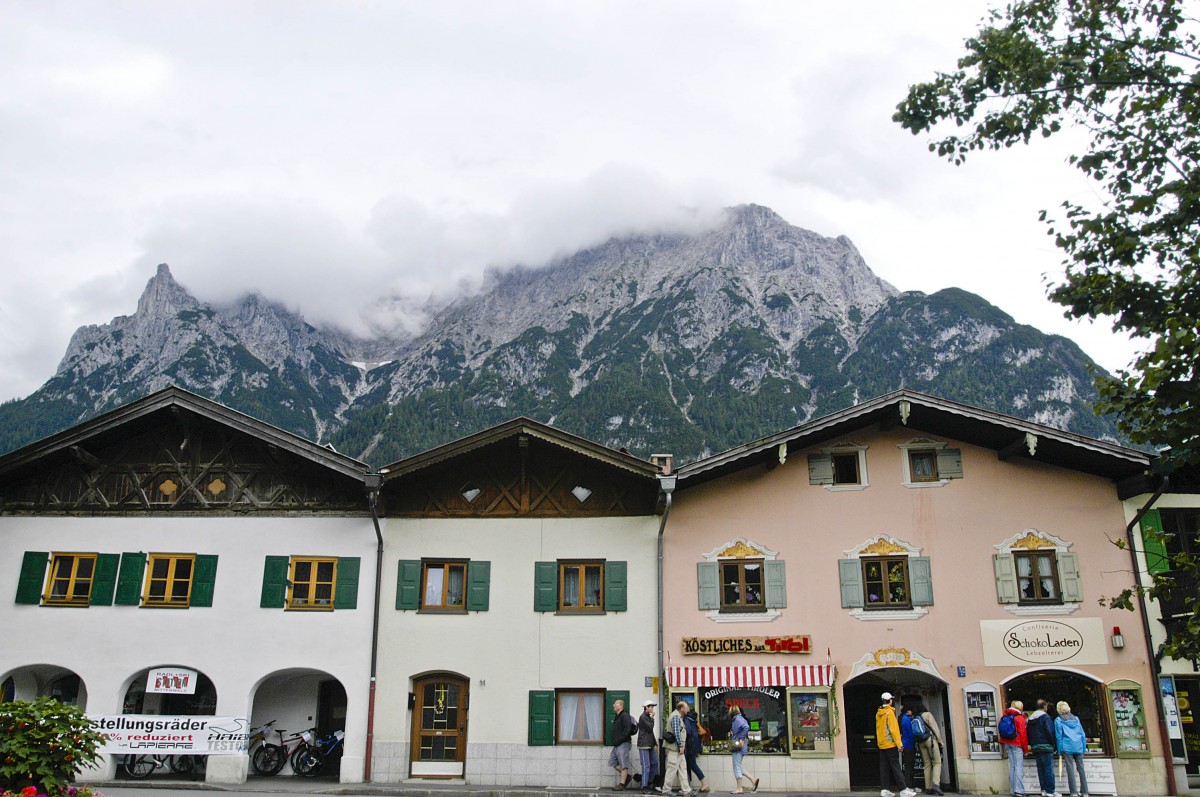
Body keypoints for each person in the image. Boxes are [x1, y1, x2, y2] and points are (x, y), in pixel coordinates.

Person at [876, 692, 916, 797]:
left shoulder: (879, 713)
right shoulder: (889, 713)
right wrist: (899, 744)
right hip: (890, 744)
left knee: (884, 767)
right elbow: (894, 730)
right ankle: (903, 789)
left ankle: (884, 789)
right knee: (896, 766)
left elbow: (879, 729)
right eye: (891, 699)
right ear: (889, 701)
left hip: (882, 744)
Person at [1054, 701, 1089, 797]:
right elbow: (1082, 734)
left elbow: (1059, 737)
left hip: (1067, 747)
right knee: (1081, 769)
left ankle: (1073, 792)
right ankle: (1085, 792)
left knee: (1070, 770)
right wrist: (1084, 747)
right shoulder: (1076, 719)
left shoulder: (1058, 720)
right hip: (1078, 746)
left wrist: (1059, 750)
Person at [1027, 698, 1058, 797]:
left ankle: (1043, 789)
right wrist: (1054, 744)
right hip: (1045, 746)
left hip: (1035, 746)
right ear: (1045, 707)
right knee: (1048, 769)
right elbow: (1050, 731)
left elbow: (1028, 733)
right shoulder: (1046, 717)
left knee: (1040, 769)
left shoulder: (1031, 718)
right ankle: (1050, 790)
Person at [913, 701, 945, 796]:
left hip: (920, 742)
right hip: (930, 740)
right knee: (937, 761)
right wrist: (940, 740)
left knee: (927, 764)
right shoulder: (927, 715)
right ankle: (936, 784)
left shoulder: (915, 717)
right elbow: (935, 728)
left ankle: (928, 787)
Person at [662, 701, 693, 796]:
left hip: (678, 749)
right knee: (672, 769)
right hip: (675, 748)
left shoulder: (677, 716)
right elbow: (676, 732)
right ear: (682, 709)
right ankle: (666, 790)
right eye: (686, 707)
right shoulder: (676, 717)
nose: (688, 709)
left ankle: (686, 790)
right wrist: (680, 746)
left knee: (682, 768)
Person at [1000, 700, 1030, 797]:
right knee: (1018, 767)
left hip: (1007, 743)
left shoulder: (1005, 716)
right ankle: (1019, 790)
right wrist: (1026, 749)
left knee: (1012, 766)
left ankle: (1013, 789)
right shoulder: (1019, 717)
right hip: (1017, 743)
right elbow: (1023, 734)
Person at [727, 704, 759, 794]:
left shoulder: (737, 719)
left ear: (733, 711)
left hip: (738, 747)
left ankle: (739, 788)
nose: (728, 712)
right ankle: (753, 779)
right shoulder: (738, 719)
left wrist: (741, 739)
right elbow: (741, 729)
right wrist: (733, 734)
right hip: (740, 747)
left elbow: (746, 727)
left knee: (736, 767)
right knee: (738, 766)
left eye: (730, 710)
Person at [681, 702, 709, 792]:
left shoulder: (686, 719)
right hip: (694, 745)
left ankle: (703, 784)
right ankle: (688, 785)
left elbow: (688, 732)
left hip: (690, 746)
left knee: (691, 765)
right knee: (690, 765)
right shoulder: (693, 719)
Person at [610, 698, 637, 790]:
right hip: (617, 744)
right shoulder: (617, 716)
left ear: (621, 706)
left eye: (616, 704)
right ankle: (627, 776)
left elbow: (628, 730)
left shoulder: (625, 716)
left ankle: (622, 784)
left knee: (623, 764)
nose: (614, 705)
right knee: (612, 762)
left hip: (623, 743)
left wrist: (620, 739)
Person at [636, 700, 660, 794]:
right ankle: (644, 786)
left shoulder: (647, 717)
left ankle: (648, 782)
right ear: (646, 708)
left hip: (650, 744)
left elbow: (651, 732)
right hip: (643, 744)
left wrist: (655, 744)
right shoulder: (642, 717)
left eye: (653, 707)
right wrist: (653, 717)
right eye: (651, 707)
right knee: (646, 766)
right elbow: (650, 728)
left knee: (654, 763)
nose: (652, 709)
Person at [899, 705, 917, 790]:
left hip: (905, 744)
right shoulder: (907, 719)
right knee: (909, 765)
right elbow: (910, 733)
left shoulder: (903, 718)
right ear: (908, 711)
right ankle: (908, 785)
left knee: (907, 765)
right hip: (909, 745)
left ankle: (908, 784)